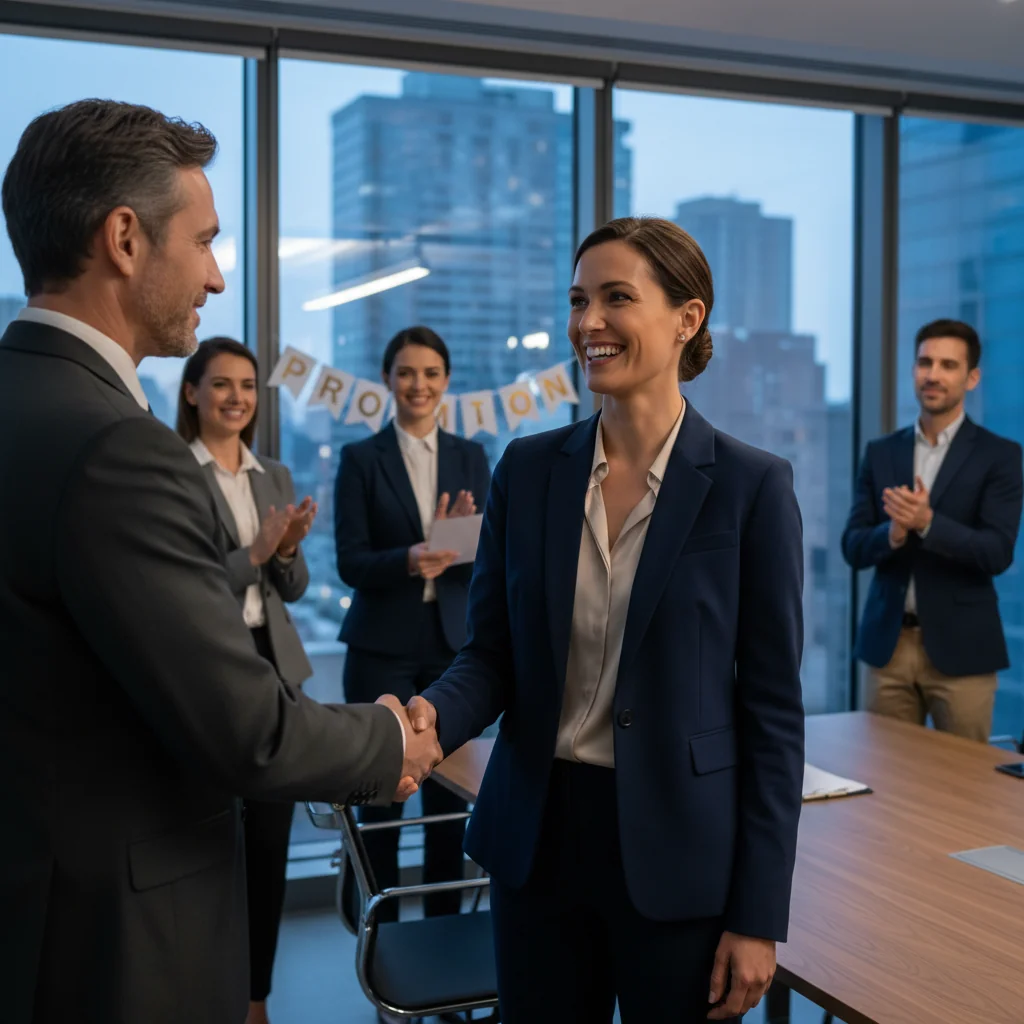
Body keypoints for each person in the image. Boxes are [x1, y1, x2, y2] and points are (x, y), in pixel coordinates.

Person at [0, 99, 440, 1024]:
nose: (215, 274)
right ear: (124, 237)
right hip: (115, 941)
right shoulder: (119, 448)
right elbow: (251, 734)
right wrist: (391, 740)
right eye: (203, 241)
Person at [399, 217, 806, 1023]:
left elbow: (771, 715)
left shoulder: (751, 488)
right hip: (537, 839)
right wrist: (430, 719)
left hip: (678, 851)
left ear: (687, 320)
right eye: (579, 299)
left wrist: (758, 916)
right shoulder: (527, 468)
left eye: (617, 298)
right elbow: (492, 655)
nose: (588, 322)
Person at [333, 328, 491, 940]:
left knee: (449, 813)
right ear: (388, 381)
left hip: (452, 652)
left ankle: (444, 948)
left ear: (446, 381)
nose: (418, 385)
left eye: (430, 373)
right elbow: (349, 561)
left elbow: (482, 556)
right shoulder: (360, 459)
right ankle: (385, 949)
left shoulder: (471, 456)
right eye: (405, 373)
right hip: (380, 649)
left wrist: (452, 547)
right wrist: (409, 558)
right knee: (380, 806)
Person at [177, 336, 316, 1024]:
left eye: (249, 387)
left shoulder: (275, 475)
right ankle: (205, 989)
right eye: (222, 384)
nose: (237, 398)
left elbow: (291, 584)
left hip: (274, 665)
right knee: (204, 839)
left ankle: (255, 996)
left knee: (268, 843)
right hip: (207, 665)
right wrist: (254, 552)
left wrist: (284, 552)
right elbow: (182, 589)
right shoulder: (174, 471)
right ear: (191, 392)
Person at [842, 319, 1023, 742]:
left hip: (964, 652)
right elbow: (852, 546)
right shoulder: (881, 452)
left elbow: (997, 552)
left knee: (962, 788)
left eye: (948, 365)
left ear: (971, 377)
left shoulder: (1000, 456)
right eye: (925, 363)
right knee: (884, 781)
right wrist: (893, 534)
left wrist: (928, 523)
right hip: (887, 648)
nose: (933, 375)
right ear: (913, 370)